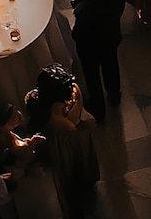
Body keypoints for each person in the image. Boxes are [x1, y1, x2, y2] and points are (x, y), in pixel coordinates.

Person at [24, 64, 99, 219]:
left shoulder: (40, 101)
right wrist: (76, 107)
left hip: (70, 139)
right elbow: (72, 127)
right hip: (64, 145)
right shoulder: (53, 117)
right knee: (70, 176)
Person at [72, 0, 125, 123]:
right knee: (112, 67)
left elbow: (77, 34)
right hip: (110, 41)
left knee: (93, 77)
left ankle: (99, 110)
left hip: (90, 50)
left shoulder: (82, 10)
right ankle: (114, 95)